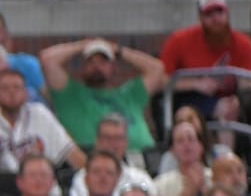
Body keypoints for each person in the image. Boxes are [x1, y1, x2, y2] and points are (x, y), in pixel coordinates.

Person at [39, 37, 167, 151]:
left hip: (140, 159)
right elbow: (48, 59)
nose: (97, 66)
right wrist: (84, 45)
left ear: (113, 67)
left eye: (103, 62)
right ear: (83, 66)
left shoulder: (131, 94)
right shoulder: (69, 94)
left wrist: (118, 50)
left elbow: (156, 68)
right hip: (91, 162)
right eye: (91, 61)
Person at [160, 0, 251, 124]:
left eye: (219, 12)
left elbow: (247, 84)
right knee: (221, 109)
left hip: (229, 98)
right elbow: (162, 80)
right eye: (209, 14)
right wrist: (196, 84)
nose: (215, 18)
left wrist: (239, 99)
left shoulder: (244, 44)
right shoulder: (178, 41)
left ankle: (227, 146)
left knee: (230, 109)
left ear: (227, 13)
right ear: (200, 17)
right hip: (190, 98)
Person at [0, 69, 85, 172]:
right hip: (0, 185)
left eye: (17, 87)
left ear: (26, 94)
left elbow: (70, 152)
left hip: (41, 182)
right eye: (5, 88)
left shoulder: (39, 113)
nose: (12, 93)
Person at [66, 113, 155, 196]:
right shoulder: (82, 178)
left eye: (118, 138)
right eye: (107, 138)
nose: (113, 144)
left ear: (126, 143)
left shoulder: (140, 178)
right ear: (97, 141)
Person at [151, 119, 212, 196]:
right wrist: (187, 193)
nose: (186, 144)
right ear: (173, 150)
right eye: (180, 141)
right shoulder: (161, 184)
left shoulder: (215, 178)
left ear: (201, 146)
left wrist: (204, 190)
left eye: (191, 139)